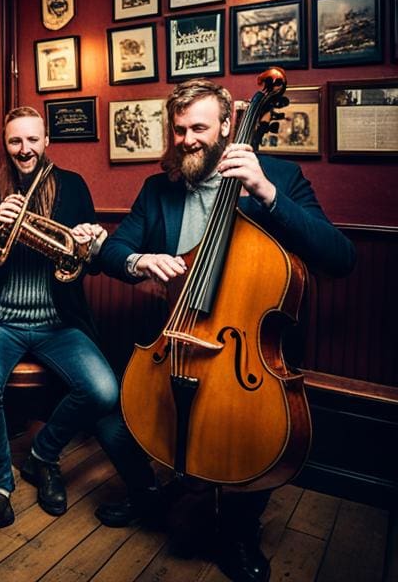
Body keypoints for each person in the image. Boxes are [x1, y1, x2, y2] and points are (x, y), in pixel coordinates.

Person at [97, 78, 356, 582]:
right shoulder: (159, 188)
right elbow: (112, 251)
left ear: (226, 126)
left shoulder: (278, 175)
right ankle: (156, 493)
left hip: (248, 355)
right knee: (123, 413)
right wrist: (139, 259)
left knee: (250, 438)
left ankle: (239, 532)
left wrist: (267, 192)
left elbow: (340, 258)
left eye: (199, 127)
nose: (188, 139)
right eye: (179, 129)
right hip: (179, 339)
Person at [0, 106, 116, 549]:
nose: (24, 149)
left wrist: (87, 244)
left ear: (46, 141)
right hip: (0, 320)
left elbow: (89, 261)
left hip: (57, 321)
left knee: (104, 390)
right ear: (5, 146)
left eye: (32, 140)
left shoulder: (72, 186)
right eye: (15, 142)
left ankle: (42, 456)